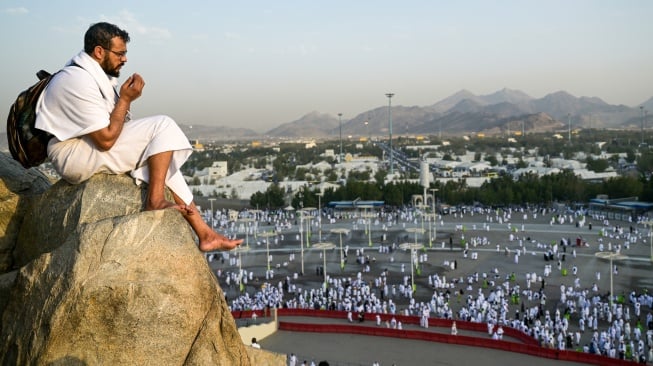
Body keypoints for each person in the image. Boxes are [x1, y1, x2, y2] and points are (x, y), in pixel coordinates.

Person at [35, 22, 242, 252]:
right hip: (71, 154)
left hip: (84, 147)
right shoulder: (75, 80)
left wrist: (124, 101)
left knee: (160, 152)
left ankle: (204, 233)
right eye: (120, 53)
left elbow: (113, 129)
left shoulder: (92, 76)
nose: (124, 59)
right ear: (99, 51)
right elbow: (105, 140)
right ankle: (154, 201)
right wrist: (125, 99)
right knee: (163, 126)